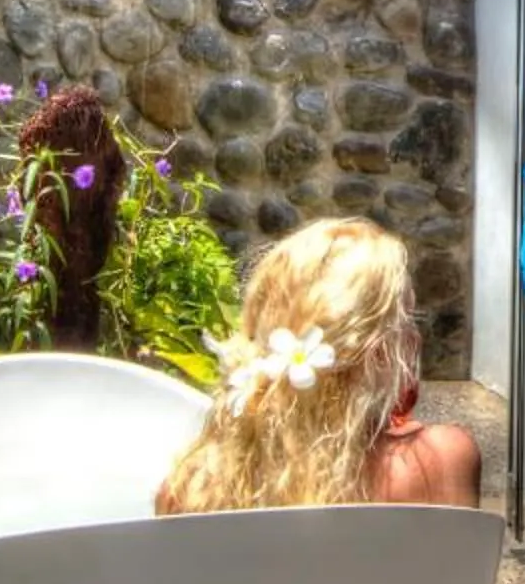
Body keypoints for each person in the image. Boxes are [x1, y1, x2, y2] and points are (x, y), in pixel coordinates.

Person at [157, 217, 483, 515]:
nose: (416, 337)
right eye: (407, 319)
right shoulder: (440, 460)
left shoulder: (190, 489)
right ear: (378, 349)